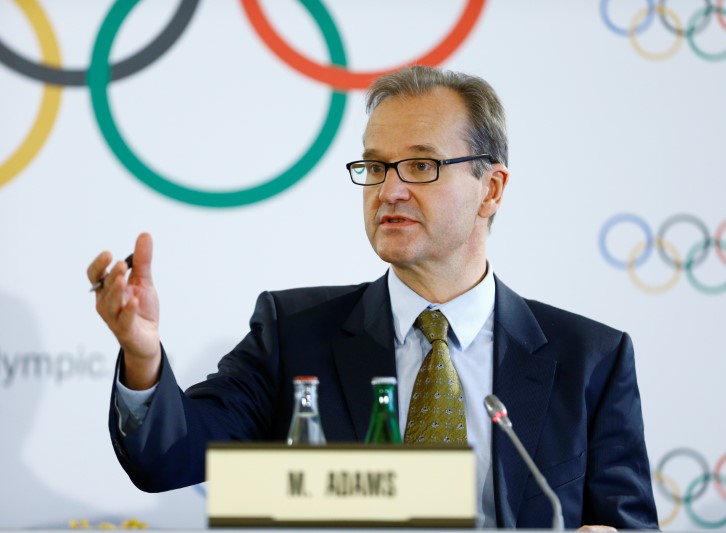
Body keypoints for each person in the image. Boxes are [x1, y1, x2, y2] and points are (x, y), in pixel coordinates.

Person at [88, 66, 658, 530]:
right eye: (376, 166)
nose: (389, 190)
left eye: (419, 165)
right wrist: (143, 359)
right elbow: (168, 457)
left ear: (491, 188)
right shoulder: (293, 333)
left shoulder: (590, 359)